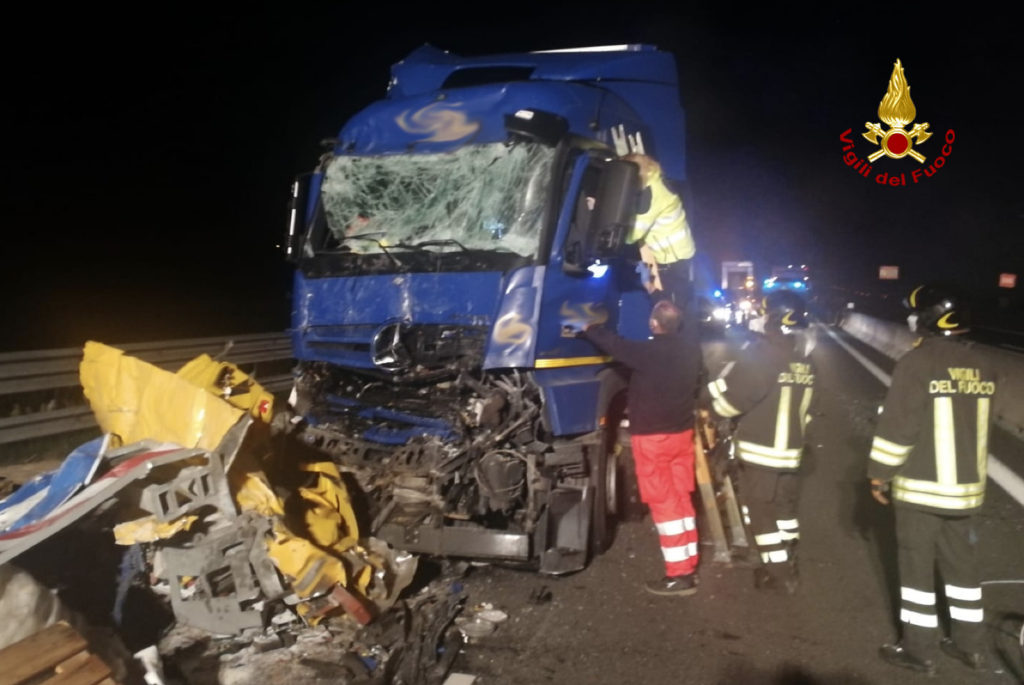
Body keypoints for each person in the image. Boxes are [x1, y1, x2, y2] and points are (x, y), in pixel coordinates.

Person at [869, 284, 1001, 676]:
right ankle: (970, 645)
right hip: (967, 492)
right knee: (963, 570)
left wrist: (879, 474)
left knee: (916, 572)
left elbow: (899, 428)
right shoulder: (985, 365)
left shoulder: (918, 363)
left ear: (929, 318)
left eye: (916, 312)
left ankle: (919, 650)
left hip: (922, 490)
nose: (911, 319)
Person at [579, 300, 703, 595]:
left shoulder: (649, 353)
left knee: (665, 504)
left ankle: (679, 575)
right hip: (681, 436)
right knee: (681, 500)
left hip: (654, 441)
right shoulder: (692, 351)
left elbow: (616, 345)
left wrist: (589, 328)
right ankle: (689, 562)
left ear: (653, 324)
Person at [701, 290, 815, 593]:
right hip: (791, 452)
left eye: (763, 313)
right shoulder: (803, 360)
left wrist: (711, 409)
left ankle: (778, 574)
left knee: (761, 512)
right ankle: (789, 555)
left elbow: (735, 400)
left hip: (762, 452)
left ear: (774, 319)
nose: (759, 318)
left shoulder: (764, 355)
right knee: (785, 508)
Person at [621, 153, 697, 314]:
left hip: (673, 258)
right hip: (679, 252)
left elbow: (632, 236)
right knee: (672, 302)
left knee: (671, 308)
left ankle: (669, 327)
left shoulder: (649, 196)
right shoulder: (657, 180)